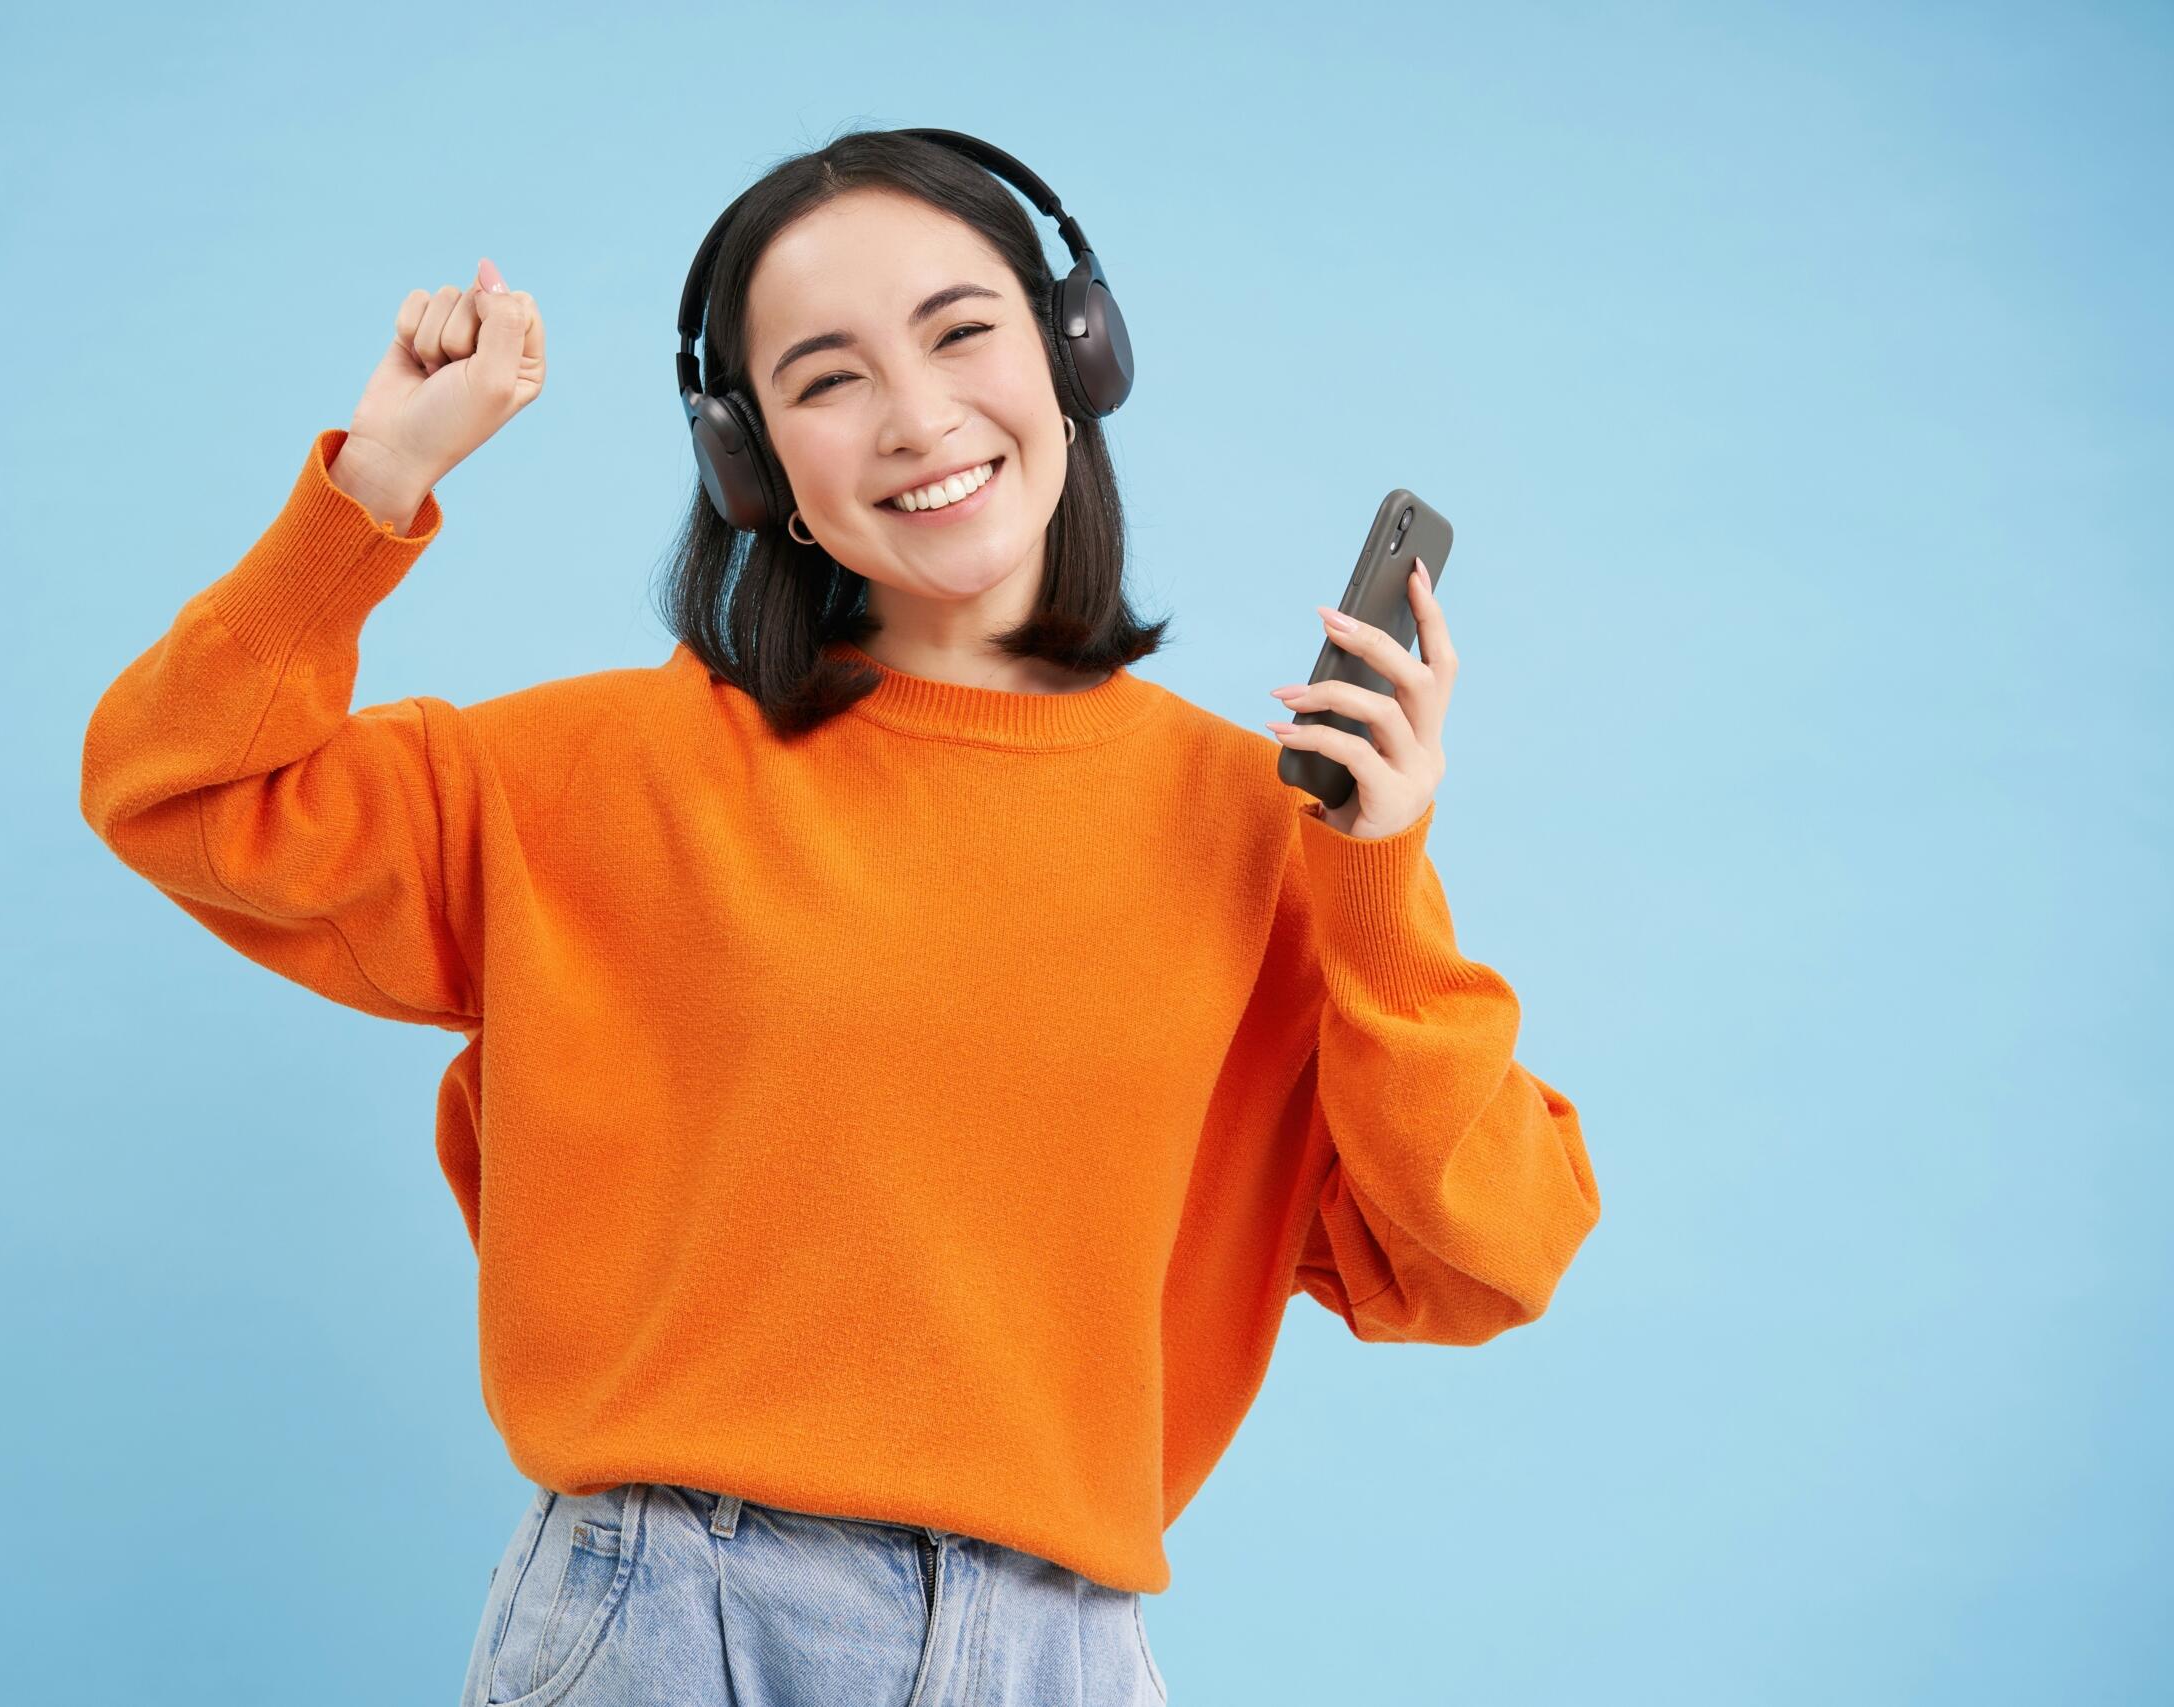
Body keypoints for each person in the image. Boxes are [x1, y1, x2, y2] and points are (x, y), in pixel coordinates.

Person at [78, 127, 1601, 1706]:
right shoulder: (594, 777)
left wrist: (1376, 876)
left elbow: (1492, 1254)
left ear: (1074, 355)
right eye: (826, 378)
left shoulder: (1264, 837)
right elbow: (178, 789)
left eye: (961, 332)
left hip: (1056, 1650)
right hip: (666, 1624)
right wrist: (376, 478)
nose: (919, 416)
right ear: (754, 468)